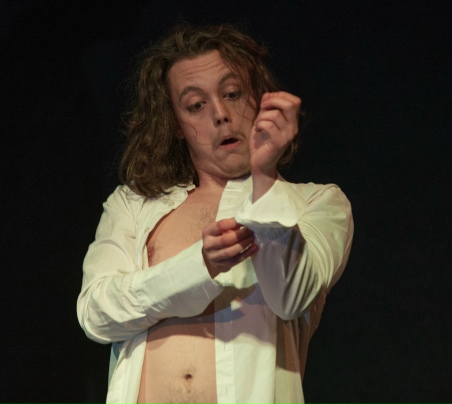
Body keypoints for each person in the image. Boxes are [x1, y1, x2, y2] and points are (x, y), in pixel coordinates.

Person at [77, 24, 353, 404]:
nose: (221, 114)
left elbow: (292, 297)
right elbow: (96, 315)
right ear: (176, 124)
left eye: (232, 93)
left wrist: (264, 176)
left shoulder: (318, 203)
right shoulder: (133, 203)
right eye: (196, 105)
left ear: (258, 99)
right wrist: (198, 267)